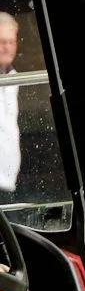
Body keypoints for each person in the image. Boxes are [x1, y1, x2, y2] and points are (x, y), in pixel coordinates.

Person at [0, 11, 19, 194]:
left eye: (11, 42)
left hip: (9, 182)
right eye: (2, 42)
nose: (7, 47)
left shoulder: (13, 78)